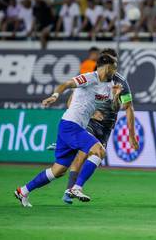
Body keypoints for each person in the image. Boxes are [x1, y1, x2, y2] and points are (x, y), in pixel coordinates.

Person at [14, 53, 119, 207]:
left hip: (73, 126)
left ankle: (23, 191)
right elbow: (67, 84)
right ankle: (76, 187)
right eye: (115, 67)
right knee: (99, 151)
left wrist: (116, 97)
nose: (116, 70)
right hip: (71, 125)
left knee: (58, 170)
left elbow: (115, 108)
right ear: (107, 66)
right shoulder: (90, 77)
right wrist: (55, 95)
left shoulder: (109, 86)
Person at [61, 48, 139, 204]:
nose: (113, 67)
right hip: (89, 122)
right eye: (111, 63)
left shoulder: (121, 82)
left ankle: (75, 185)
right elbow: (71, 101)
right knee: (83, 154)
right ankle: (71, 190)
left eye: (114, 64)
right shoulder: (92, 77)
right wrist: (90, 114)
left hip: (106, 126)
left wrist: (131, 135)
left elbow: (128, 107)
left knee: (96, 155)